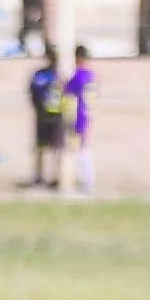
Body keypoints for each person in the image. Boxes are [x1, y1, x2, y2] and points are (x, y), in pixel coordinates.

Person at [24, 47, 61, 189]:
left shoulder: (59, 75)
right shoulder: (41, 75)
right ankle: (39, 176)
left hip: (57, 116)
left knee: (57, 148)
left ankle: (56, 176)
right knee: (41, 148)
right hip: (43, 115)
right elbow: (32, 92)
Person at [61, 46, 96, 195]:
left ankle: (84, 180)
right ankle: (86, 180)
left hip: (78, 114)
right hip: (87, 113)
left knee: (78, 148)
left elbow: (67, 89)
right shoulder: (91, 75)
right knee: (82, 147)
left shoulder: (80, 75)